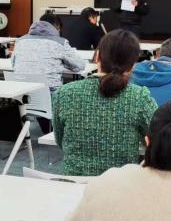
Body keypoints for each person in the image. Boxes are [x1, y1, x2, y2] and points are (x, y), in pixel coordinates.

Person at [53, 30, 157, 176]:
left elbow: (60, 140)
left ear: (97, 56)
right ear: (133, 65)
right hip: (119, 184)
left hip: (73, 183)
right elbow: (156, 139)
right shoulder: (140, 97)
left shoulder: (63, 93)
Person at [12, 13, 86, 89]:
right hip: (50, 92)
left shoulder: (20, 41)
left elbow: (13, 63)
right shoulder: (60, 42)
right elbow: (80, 65)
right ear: (57, 27)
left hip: (21, 91)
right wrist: (64, 63)